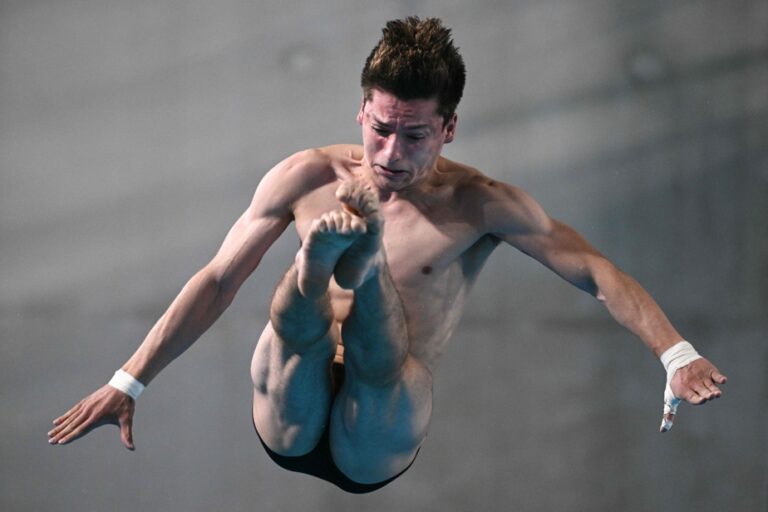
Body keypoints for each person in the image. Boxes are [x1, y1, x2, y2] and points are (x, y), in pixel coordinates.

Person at [48, 17, 727, 493]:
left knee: (380, 356)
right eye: (380, 131)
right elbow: (221, 279)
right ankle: (330, 262)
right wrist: (128, 380)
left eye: (414, 136)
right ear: (361, 113)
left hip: (379, 428)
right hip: (288, 407)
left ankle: (358, 263)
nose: (391, 155)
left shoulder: (482, 203)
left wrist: (675, 353)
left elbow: (599, 274)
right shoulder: (307, 175)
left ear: (449, 128)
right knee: (296, 322)